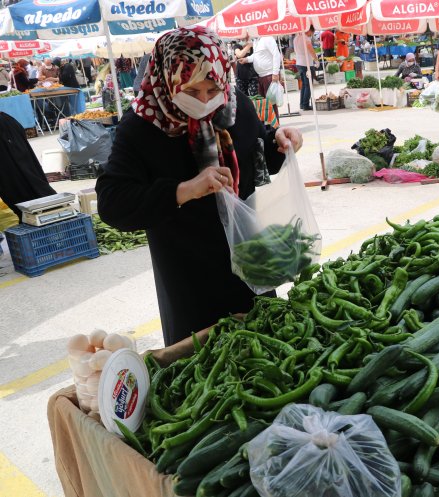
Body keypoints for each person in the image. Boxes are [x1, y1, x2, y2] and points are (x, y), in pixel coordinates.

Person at [96, 27, 303, 346]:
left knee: (265, 344)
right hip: (189, 272)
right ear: (166, 79)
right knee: (202, 361)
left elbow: (256, 148)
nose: (206, 102)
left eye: (213, 88)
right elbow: (112, 203)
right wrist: (185, 189)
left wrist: (279, 141)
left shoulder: (236, 106)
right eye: (192, 91)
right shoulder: (141, 129)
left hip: (249, 257)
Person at [246, 35, 282, 118]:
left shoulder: (268, 38)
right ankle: (269, 124)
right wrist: (246, 59)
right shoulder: (256, 41)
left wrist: (275, 72)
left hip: (269, 74)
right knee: (263, 103)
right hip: (261, 76)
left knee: (271, 103)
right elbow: (256, 56)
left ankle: (274, 126)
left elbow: (276, 54)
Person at [294, 26, 319, 111]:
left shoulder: (296, 37)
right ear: (309, 31)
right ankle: (305, 105)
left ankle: (302, 104)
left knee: (304, 85)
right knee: (308, 85)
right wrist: (316, 59)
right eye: (312, 33)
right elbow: (310, 49)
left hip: (299, 63)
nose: (311, 35)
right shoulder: (306, 38)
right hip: (306, 64)